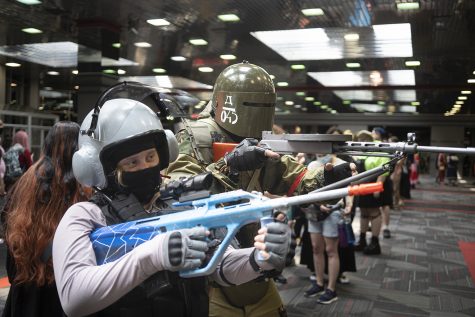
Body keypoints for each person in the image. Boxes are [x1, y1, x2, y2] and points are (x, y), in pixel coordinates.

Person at [52, 89, 293, 317]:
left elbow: (222, 267)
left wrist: (260, 258)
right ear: (99, 169)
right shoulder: (85, 216)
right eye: (132, 163)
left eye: (150, 157)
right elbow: (74, 298)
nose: (145, 167)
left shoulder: (182, 204)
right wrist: (153, 255)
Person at [166, 61, 355, 314]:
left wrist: (326, 176)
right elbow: (177, 199)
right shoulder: (195, 137)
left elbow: (292, 176)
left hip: (252, 251)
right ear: (226, 102)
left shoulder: (257, 141)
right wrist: (227, 165)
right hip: (207, 258)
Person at [2, 121, 90, 317]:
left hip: (26, 284)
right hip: (63, 290)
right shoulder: (81, 184)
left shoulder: (28, 180)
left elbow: (9, 230)